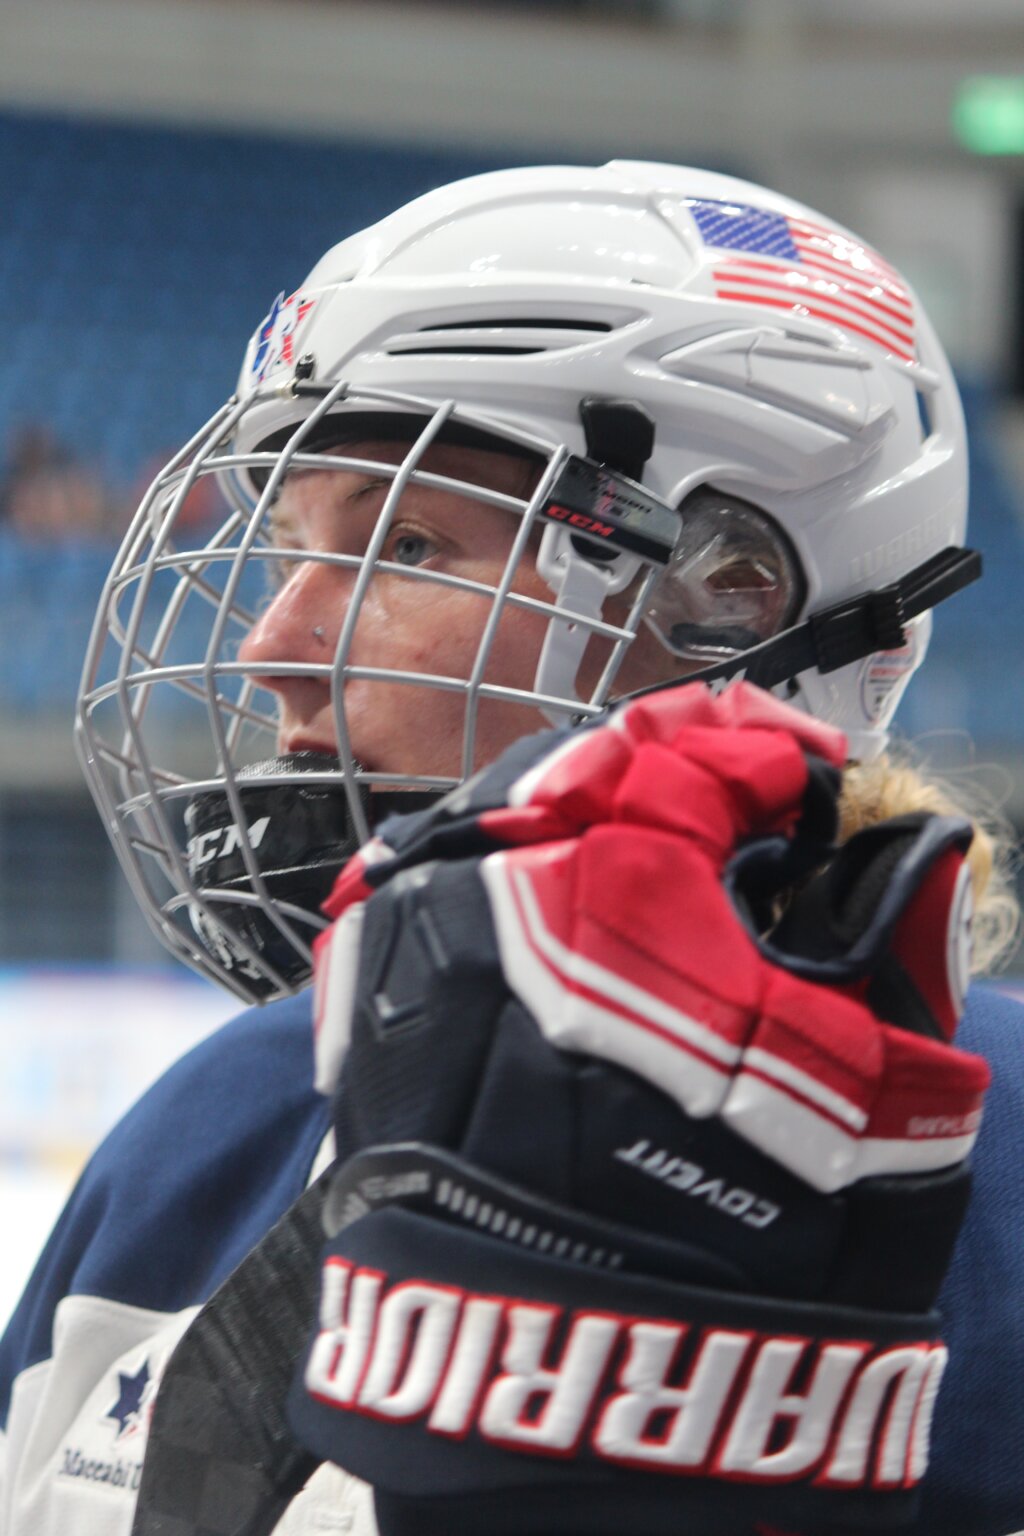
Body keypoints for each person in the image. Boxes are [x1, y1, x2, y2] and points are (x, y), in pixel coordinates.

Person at [0, 161, 1021, 1535]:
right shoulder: (217, 1124)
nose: (269, 650)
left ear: (736, 599)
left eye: (404, 544)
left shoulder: (997, 1168)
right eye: (285, 555)